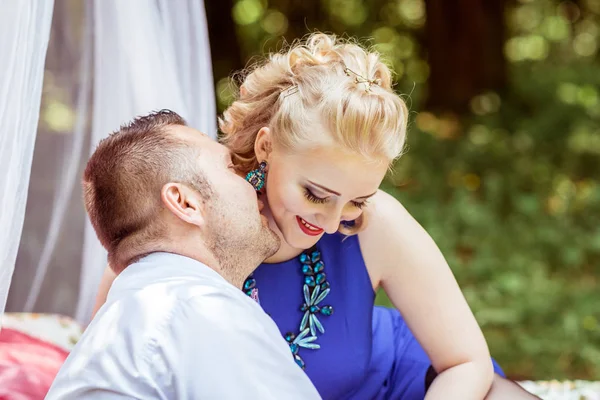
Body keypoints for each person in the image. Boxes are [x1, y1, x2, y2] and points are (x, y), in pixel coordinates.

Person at [94, 34, 540, 399]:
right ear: (266, 146)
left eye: (357, 200)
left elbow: (466, 361)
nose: (331, 223)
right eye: (316, 194)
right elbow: (117, 359)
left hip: (406, 386)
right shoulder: (191, 224)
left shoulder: (379, 224)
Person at [46, 110, 321, 399]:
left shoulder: (129, 317)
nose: (253, 182)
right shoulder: (202, 308)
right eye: (230, 167)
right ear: (185, 202)